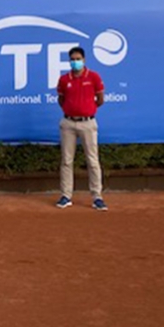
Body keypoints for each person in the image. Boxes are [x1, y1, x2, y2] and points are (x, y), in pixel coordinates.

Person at [56, 47, 107, 211]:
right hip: (68, 123)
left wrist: (87, 110)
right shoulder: (64, 80)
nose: (75, 62)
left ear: (84, 60)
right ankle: (66, 195)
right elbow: (61, 99)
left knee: (92, 161)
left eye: (78, 59)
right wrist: (72, 111)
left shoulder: (93, 77)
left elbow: (100, 99)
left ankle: (97, 196)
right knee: (66, 161)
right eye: (72, 59)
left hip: (88, 123)